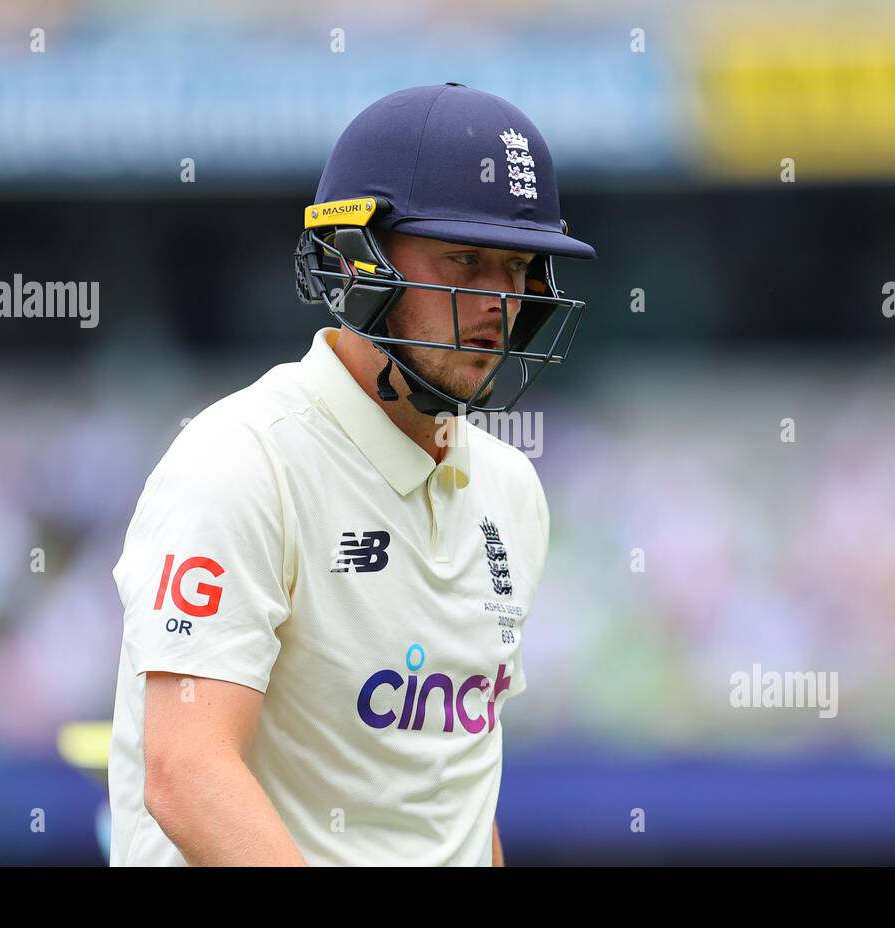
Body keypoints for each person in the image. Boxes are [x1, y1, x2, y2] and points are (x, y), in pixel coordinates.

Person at [107, 83, 596, 866]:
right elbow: (186, 770)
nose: (498, 305)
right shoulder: (240, 459)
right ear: (357, 260)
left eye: (517, 267)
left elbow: (457, 794)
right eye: (464, 260)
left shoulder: (511, 489)